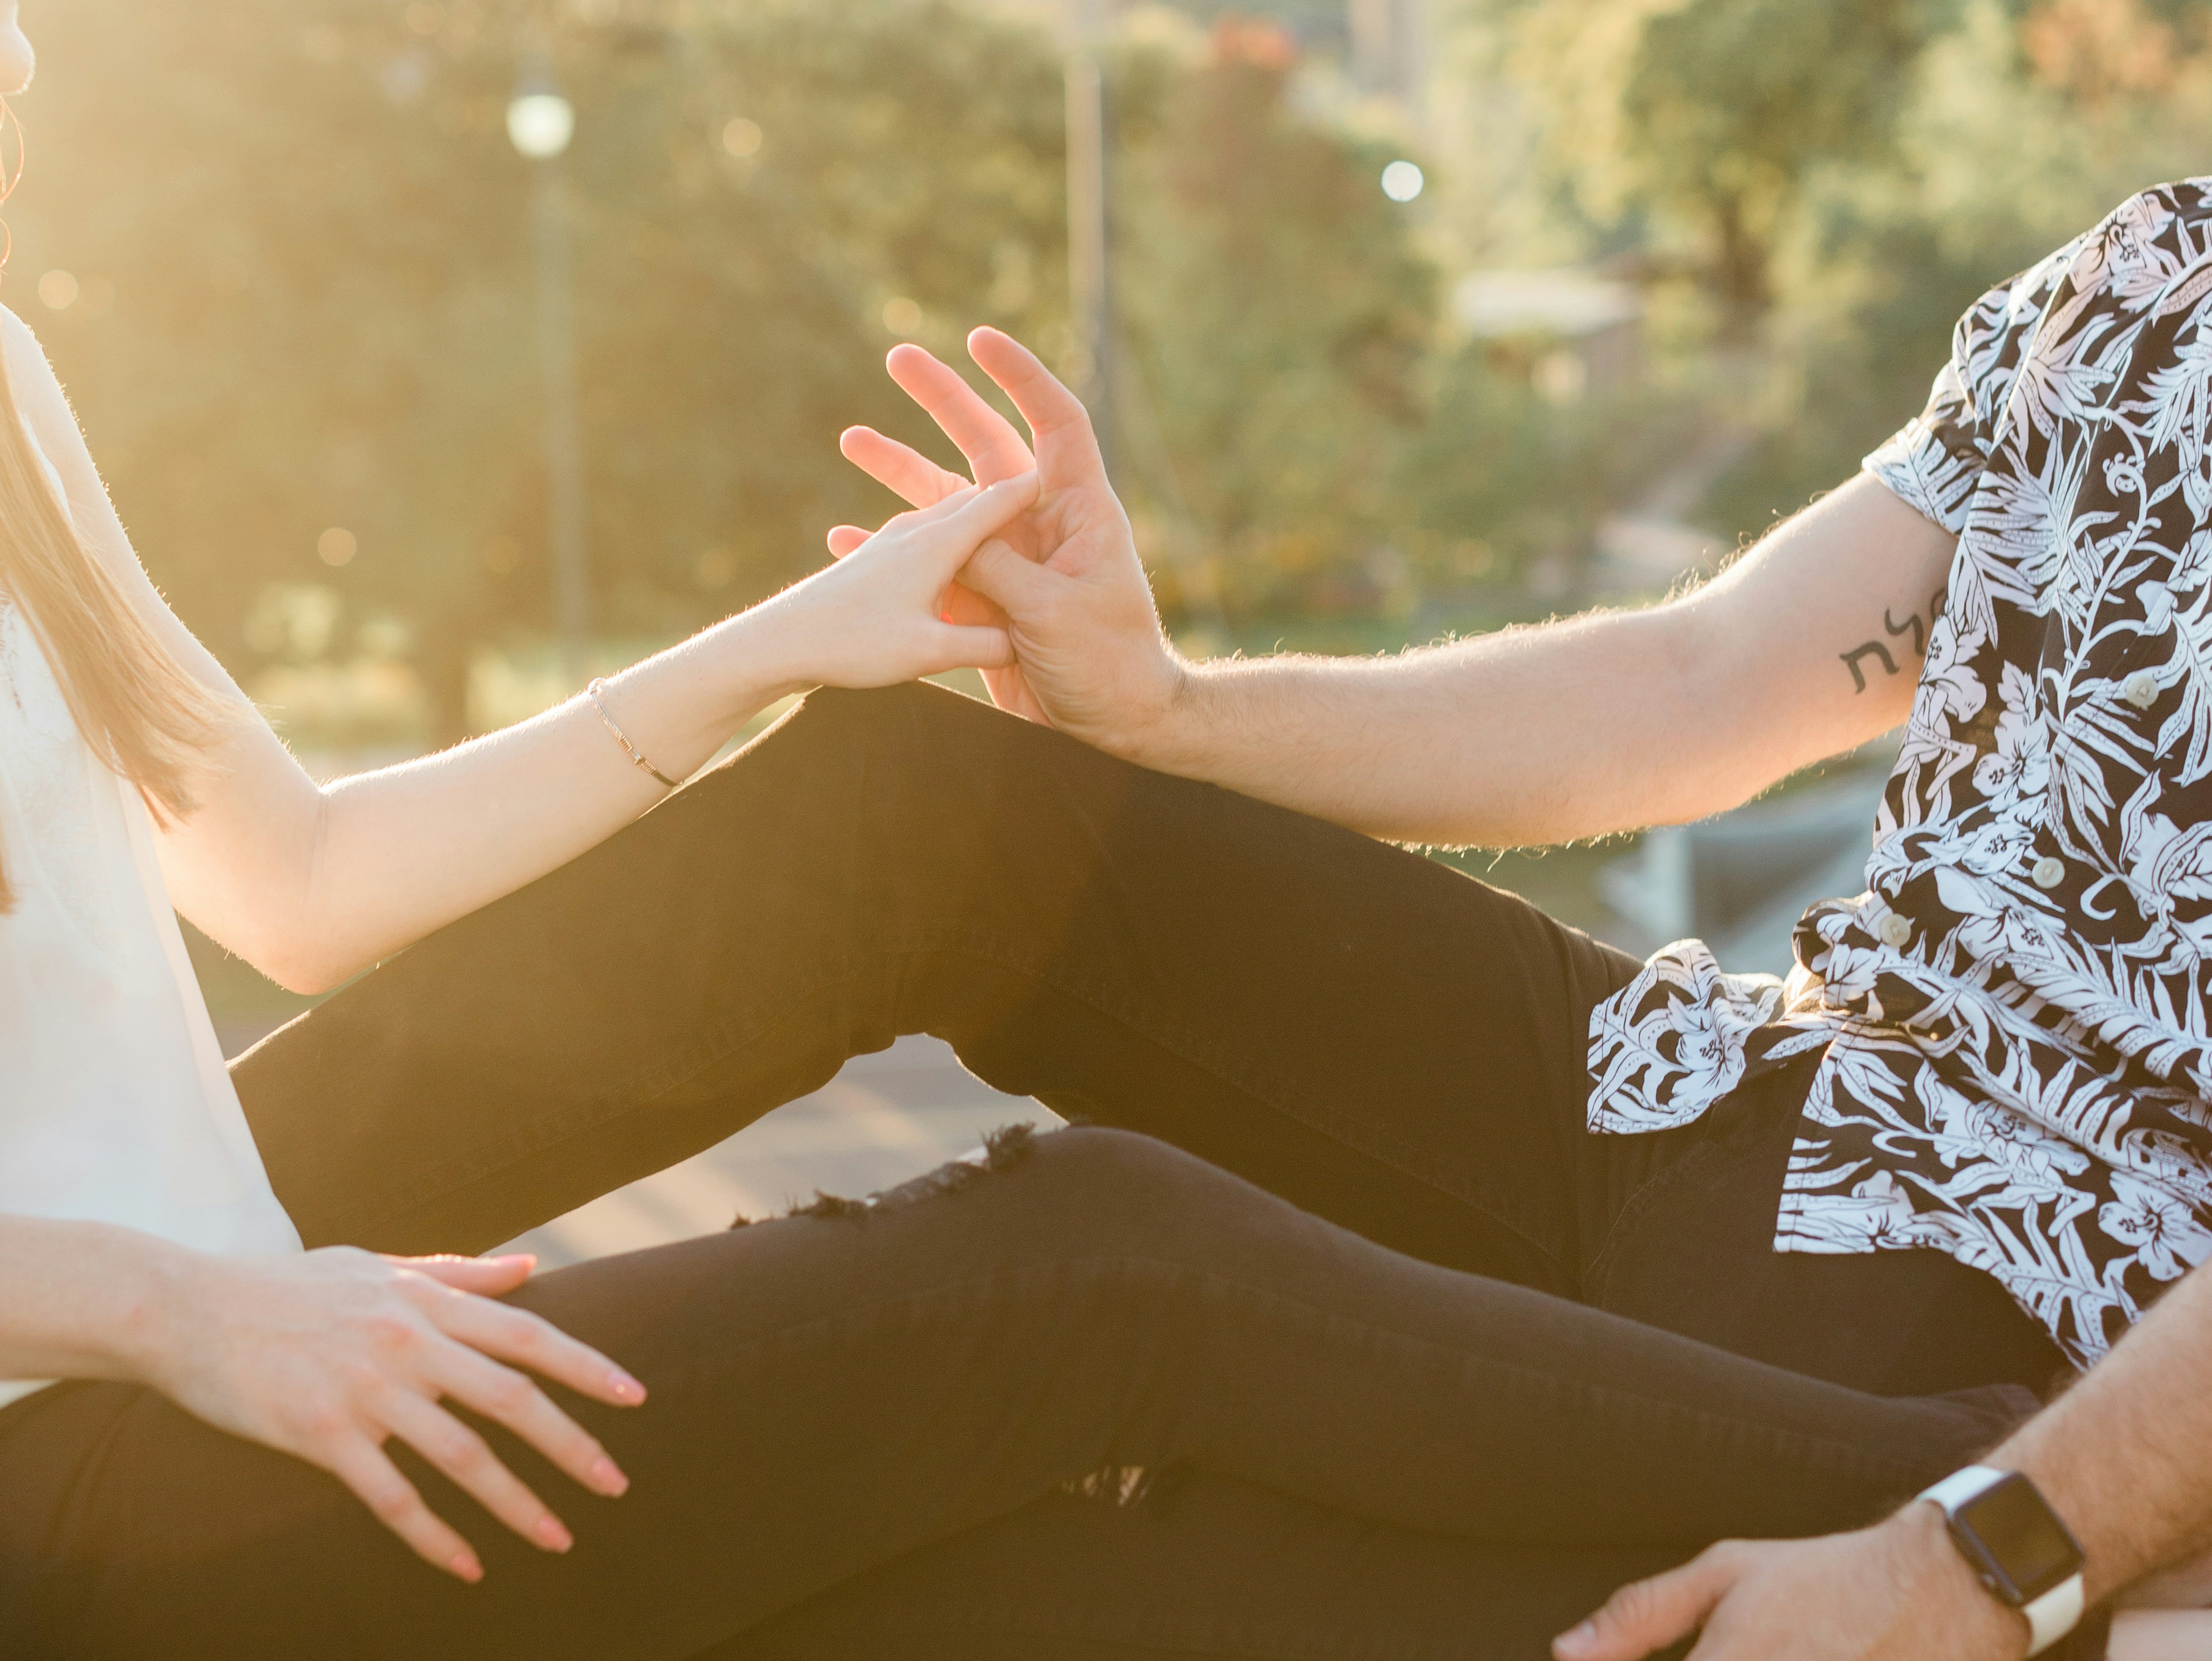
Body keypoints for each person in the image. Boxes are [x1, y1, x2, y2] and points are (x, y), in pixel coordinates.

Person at [2, 0, 2211, 1648]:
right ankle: (122, 1387)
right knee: (937, 827)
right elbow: (1705, 679)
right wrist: (1160, 712)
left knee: (1045, 1423)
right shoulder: (2142, 295)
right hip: (1716, 1085)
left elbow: (280, 871)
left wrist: (2023, 1526)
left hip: (2028, 1299)